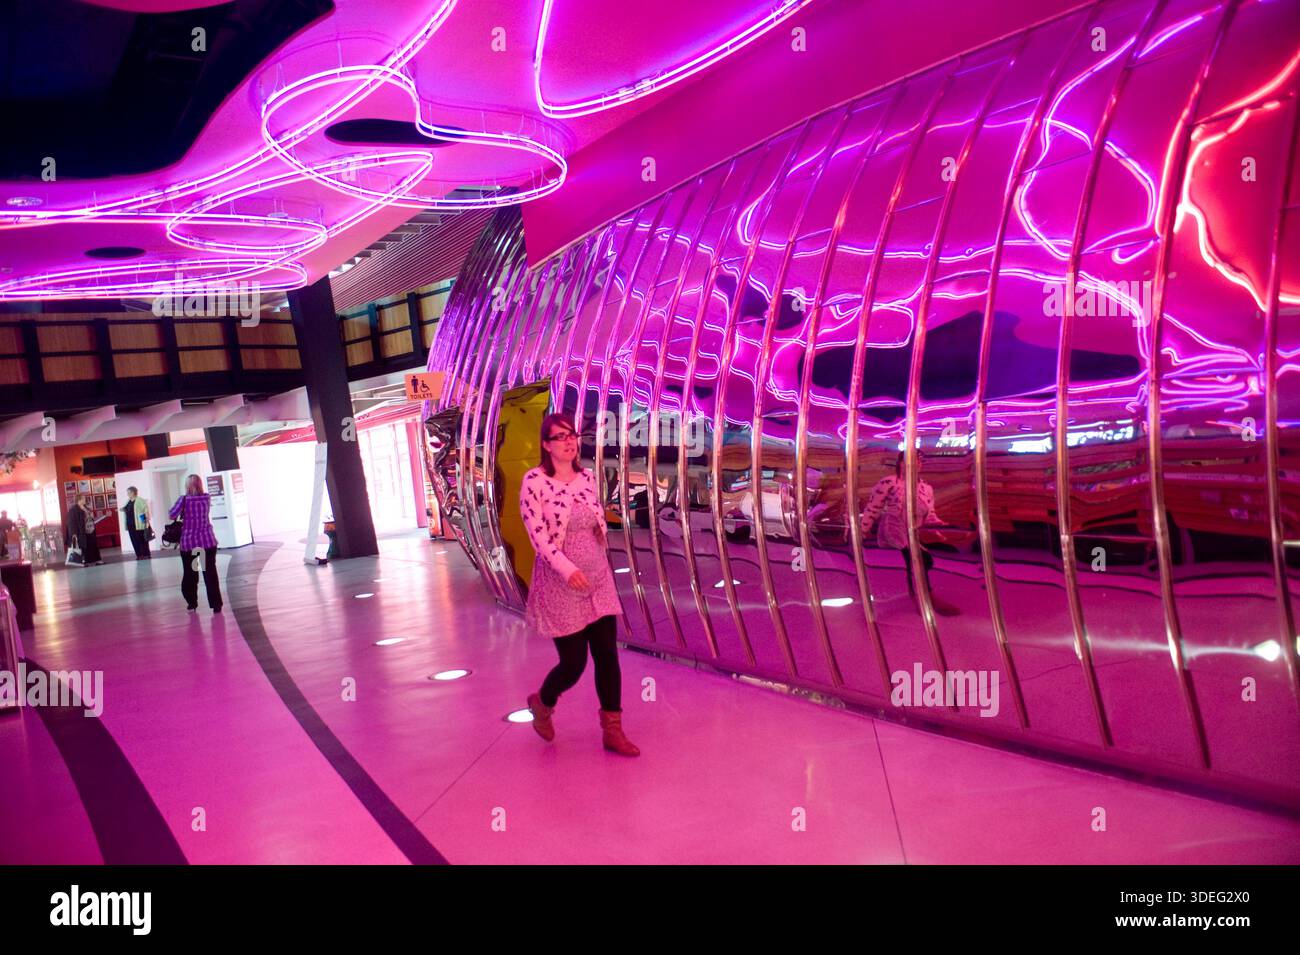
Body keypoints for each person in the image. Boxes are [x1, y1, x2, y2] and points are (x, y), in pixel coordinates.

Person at [520, 412, 639, 756]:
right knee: (573, 664)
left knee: (607, 656)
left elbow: (595, 522)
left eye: (572, 435)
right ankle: (542, 703)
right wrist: (567, 568)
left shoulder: (587, 477)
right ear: (546, 445)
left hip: (598, 580)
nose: (569, 441)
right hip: (561, 584)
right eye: (560, 437)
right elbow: (538, 536)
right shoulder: (534, 482)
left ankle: (612, 730)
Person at [861, 452, 958, 616]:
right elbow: (873, 508)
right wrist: (862, 531)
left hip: (915, 532)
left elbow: (930, 515)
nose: (915, 465)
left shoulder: (926, 488)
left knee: (922, 561)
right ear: (900, 463)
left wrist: (943, 529)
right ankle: (925, 598)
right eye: (910, 461)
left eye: (919, 462)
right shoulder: (889, 482)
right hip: (895, 530)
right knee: (918, 560)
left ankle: (918, 595)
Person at [168, 474, 222, 613]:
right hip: (207, 542)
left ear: (187, 485)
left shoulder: (184, 499)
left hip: (190, 544)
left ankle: (192, 603)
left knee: (191, 573)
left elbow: (172, 515)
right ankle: (216, 604)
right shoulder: (206, 498)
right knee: (209, 573)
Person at [66, 495, 103, 566]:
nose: (85, 499)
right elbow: (71, 522)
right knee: (83, 547)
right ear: (79, 500)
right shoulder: (73, 510)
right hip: (81, 532)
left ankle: (97, 560)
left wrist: (91, 515)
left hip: (90, 529)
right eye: (84, 498)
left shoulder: (86, 508)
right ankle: (83, 561)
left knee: (93, 545)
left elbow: (91, 517)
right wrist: (74, 533)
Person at [122, 486, 152, 560]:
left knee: (142, 540)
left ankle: (146, 554)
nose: (127, 494)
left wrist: (146, 522)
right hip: (130, 524)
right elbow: (127, 509)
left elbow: (145, 511)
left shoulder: (139, 500)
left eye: (128, 492)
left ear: (133, 492)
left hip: (139, 524)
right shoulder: (128, 501)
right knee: (134, 540)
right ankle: (139, 555)